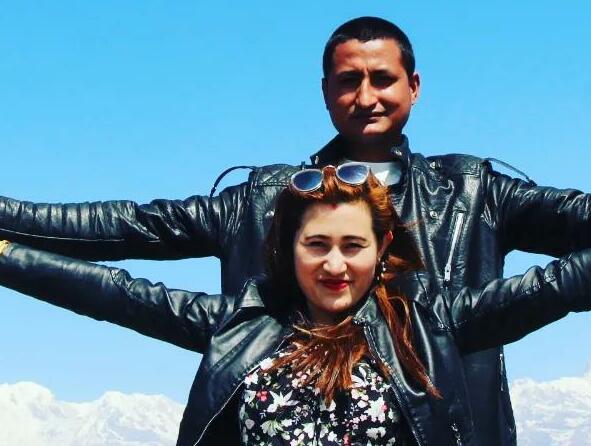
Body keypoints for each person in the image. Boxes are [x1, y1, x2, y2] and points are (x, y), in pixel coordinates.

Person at [0, 16, 590, 445]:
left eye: (382, 78)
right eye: (348, 80)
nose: (366, 97)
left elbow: (561, 272)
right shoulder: (267, 202)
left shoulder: (473, 195)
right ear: (325, 91)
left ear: (413, 86)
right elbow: (129, 233)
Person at [1, 166, 591, 446]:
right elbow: (114, 293)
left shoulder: (431, 324)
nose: (335, 265)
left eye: (353, 246)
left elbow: (556, 285)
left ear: (382, 247)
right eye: (317, 245)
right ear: (289, 249)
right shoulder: (241, 325)